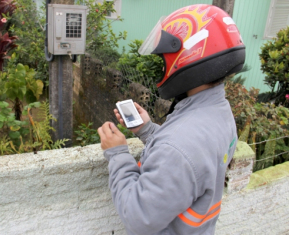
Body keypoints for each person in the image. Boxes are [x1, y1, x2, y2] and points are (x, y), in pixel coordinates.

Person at [97, 4, 245, 235]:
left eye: (165, 59)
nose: (163, 66)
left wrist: (117, 154)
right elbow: (193, 163)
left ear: (190, 57)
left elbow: (138, 217)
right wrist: (147, 130)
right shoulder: (220, 113)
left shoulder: (178, 146)